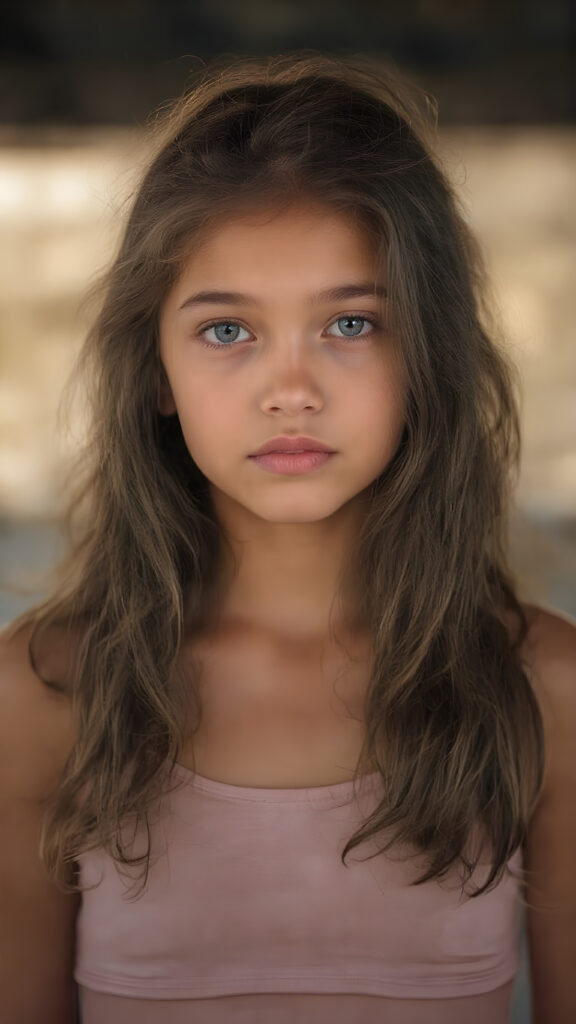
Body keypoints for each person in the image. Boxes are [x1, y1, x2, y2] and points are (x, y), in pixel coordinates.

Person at [0, 53, 574, 1024]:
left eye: (351, 322)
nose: (292, 388)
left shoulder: (542, 692)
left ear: (429, 353)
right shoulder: (45, 695)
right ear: (154, 371)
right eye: (228, 332)